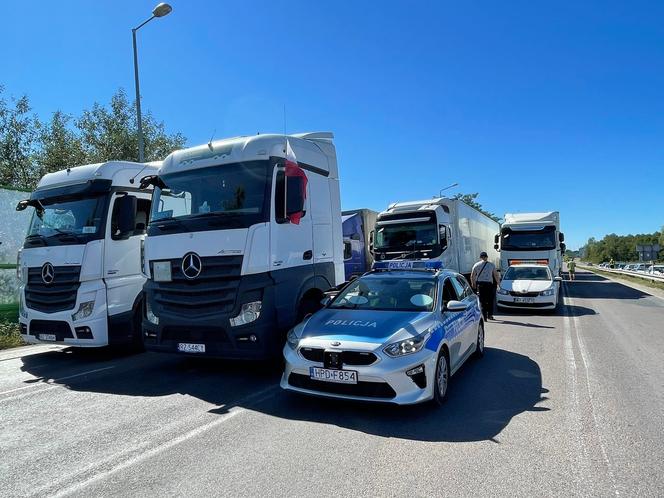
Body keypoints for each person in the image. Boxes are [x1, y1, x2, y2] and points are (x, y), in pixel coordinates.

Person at [471, 251, 501, 321]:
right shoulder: (491, 265)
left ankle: (484, 316)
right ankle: (490, 315)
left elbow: (472, 276)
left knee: (482, 300)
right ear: (487, 257)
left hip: (480, 285)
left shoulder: (476, 265)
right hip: (489, 285)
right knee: (490, 300)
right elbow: (496, 275)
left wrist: (473, 284)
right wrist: (499, 284)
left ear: (480, 257)